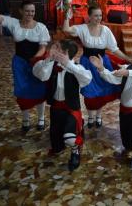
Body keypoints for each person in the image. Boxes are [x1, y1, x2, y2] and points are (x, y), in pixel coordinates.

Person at [90, 45, 132, 175]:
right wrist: (101, 69)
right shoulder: (128, 68)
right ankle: (129, 145)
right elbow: (112, 78)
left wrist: (128, 72)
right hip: (124, 111)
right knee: (127, 143)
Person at [63, 6, 130, 128]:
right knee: (89, 91)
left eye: (100, 15)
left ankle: (98, 116)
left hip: (102, 63)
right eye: (95, 15)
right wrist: (67, 16)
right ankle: (90, 117)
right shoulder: (82, 28)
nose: (98, 18)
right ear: (89, 16)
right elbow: (66, 29)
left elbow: (114, 49)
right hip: (87, 64)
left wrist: (127, 58)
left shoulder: (106, 30)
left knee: (102, 89)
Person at [32, 40, 92, 171]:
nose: (52, 49)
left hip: (71, 109)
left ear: (64, 53)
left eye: (56, 47)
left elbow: (87, 79)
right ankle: (66, 140)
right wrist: (49, 60)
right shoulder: (50, 65)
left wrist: (69, 65)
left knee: (69, 138)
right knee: (57, 146)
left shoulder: (77, 68)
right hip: (55, 108)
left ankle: (76, 151)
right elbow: (41, 76)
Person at [0, 0, 50, 131]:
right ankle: (26, 119)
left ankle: (41, 118)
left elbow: (42, 47)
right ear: (21, 11)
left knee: (39, 89)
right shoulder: (14, 23)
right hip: (19, 63)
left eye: (32, 11)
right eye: (27, 11)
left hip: (36, 63)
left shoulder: (41, 27)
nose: (30, 13)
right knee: (22, 91)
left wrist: (35, 60)